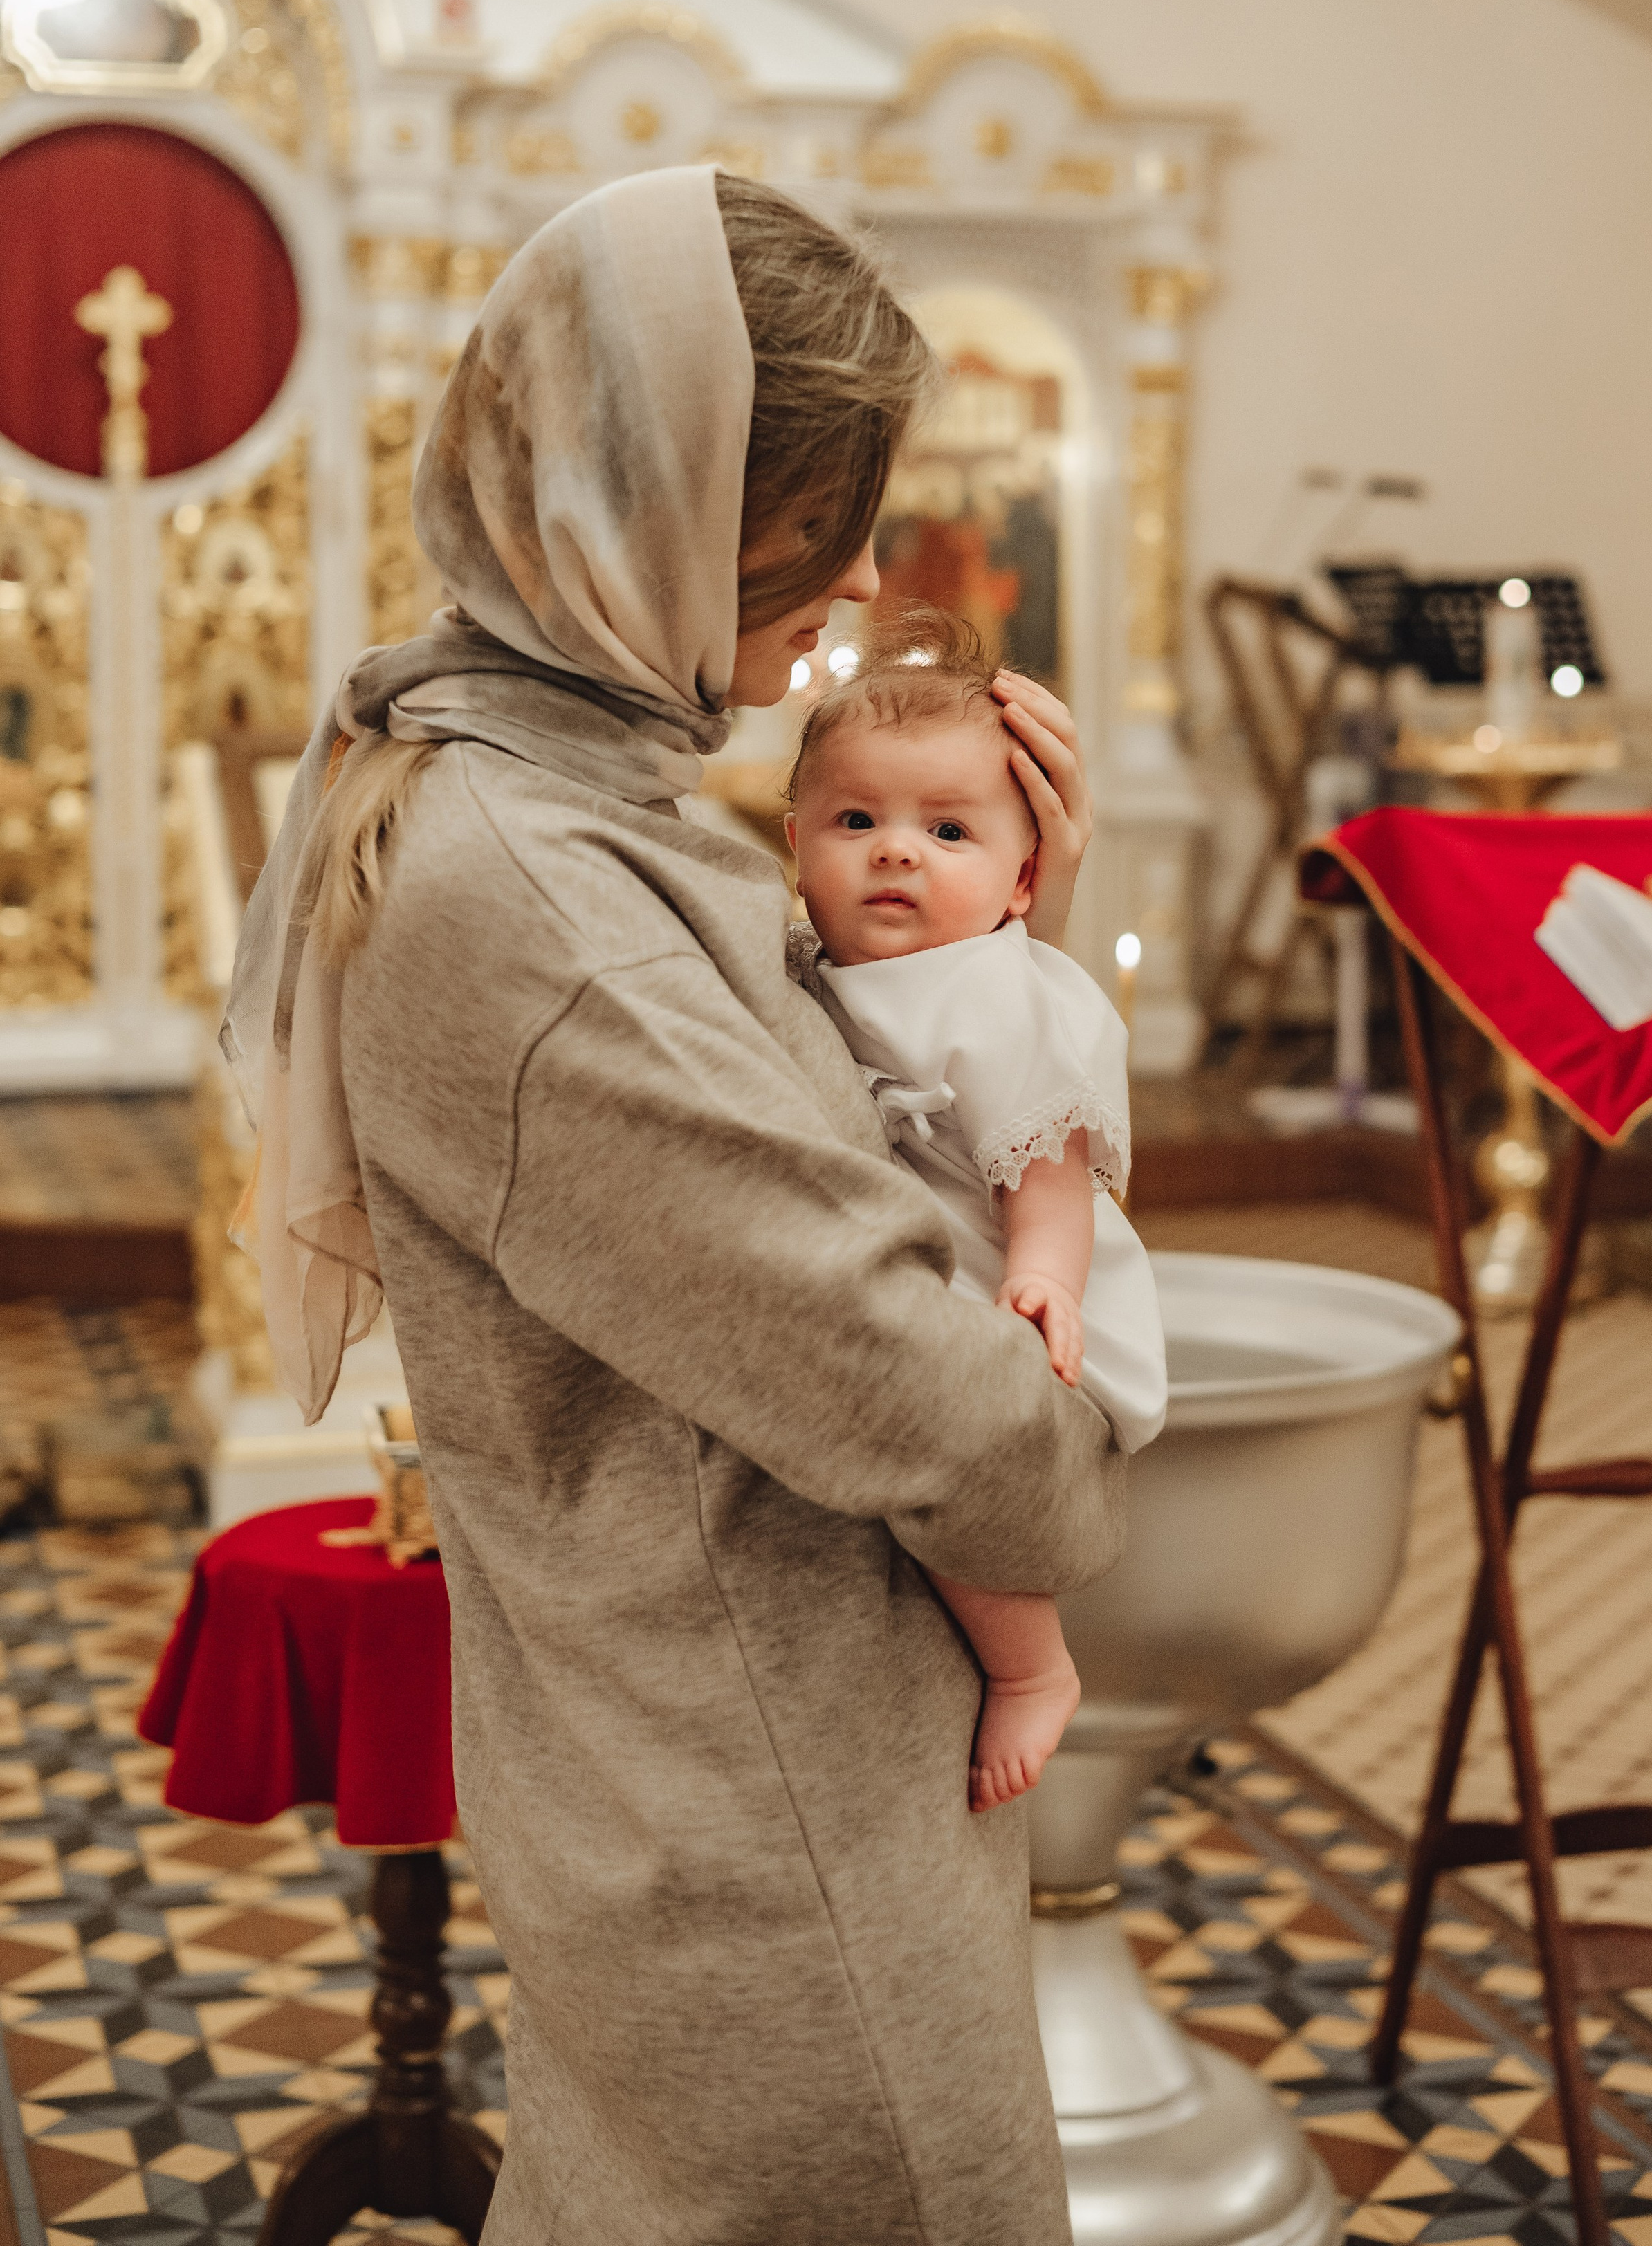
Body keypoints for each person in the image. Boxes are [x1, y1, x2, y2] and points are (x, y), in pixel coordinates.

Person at [223, 165, 1125, 2246]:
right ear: (673, 515)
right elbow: (898, 1377)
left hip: (717, 1787)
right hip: (777, 1842)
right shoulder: (536, 901)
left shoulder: (547, 788)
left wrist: (993, 967)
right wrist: (1065, 1466)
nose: (869, 579)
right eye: (824, 532)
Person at [786, 605, 1167, 1814]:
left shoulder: (1003, 992)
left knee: (947, 1459)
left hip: (1007, 1273)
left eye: (947, 829)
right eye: (859, 821)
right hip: (906, 1261)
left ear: (1023, 876)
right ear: (794, 843)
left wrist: (1042, 1281)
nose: (896, 852)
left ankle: (1032, 1666)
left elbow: (1048, 1174)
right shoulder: (812, 964)